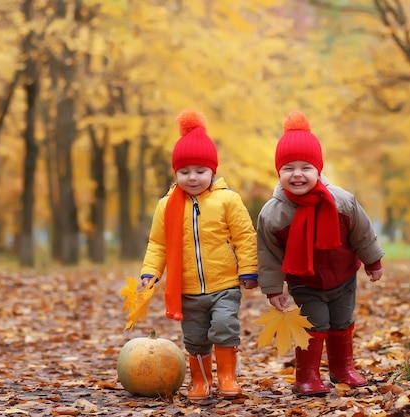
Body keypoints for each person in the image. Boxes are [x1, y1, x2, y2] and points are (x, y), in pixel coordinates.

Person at [256, 110, 384, 397]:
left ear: (318, 169)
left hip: (343, 277)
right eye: (288, 168)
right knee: (313, 325)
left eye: (306, 167)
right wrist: (273, 289)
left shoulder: (341, 201)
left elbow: (362, 232)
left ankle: (342, 368)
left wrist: (372, 261)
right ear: (279, 172)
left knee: (341, 321)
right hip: (305, 281)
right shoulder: (274, 213)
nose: (297, 174)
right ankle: (308, 376)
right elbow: (268, 253)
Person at [139, 109, 259, 401]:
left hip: (224, 285)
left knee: (223, 326)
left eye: (200, 171)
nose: (192, 178)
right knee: (195, 337)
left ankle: (227, 378)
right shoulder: (166, 205)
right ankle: (201, 382)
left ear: (213, 171)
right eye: (184, 172)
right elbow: (158, 244)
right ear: (176, 173)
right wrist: (150, 273)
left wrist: (248, 269)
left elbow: (244, 236)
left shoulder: (227, 199)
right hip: (188, 288)